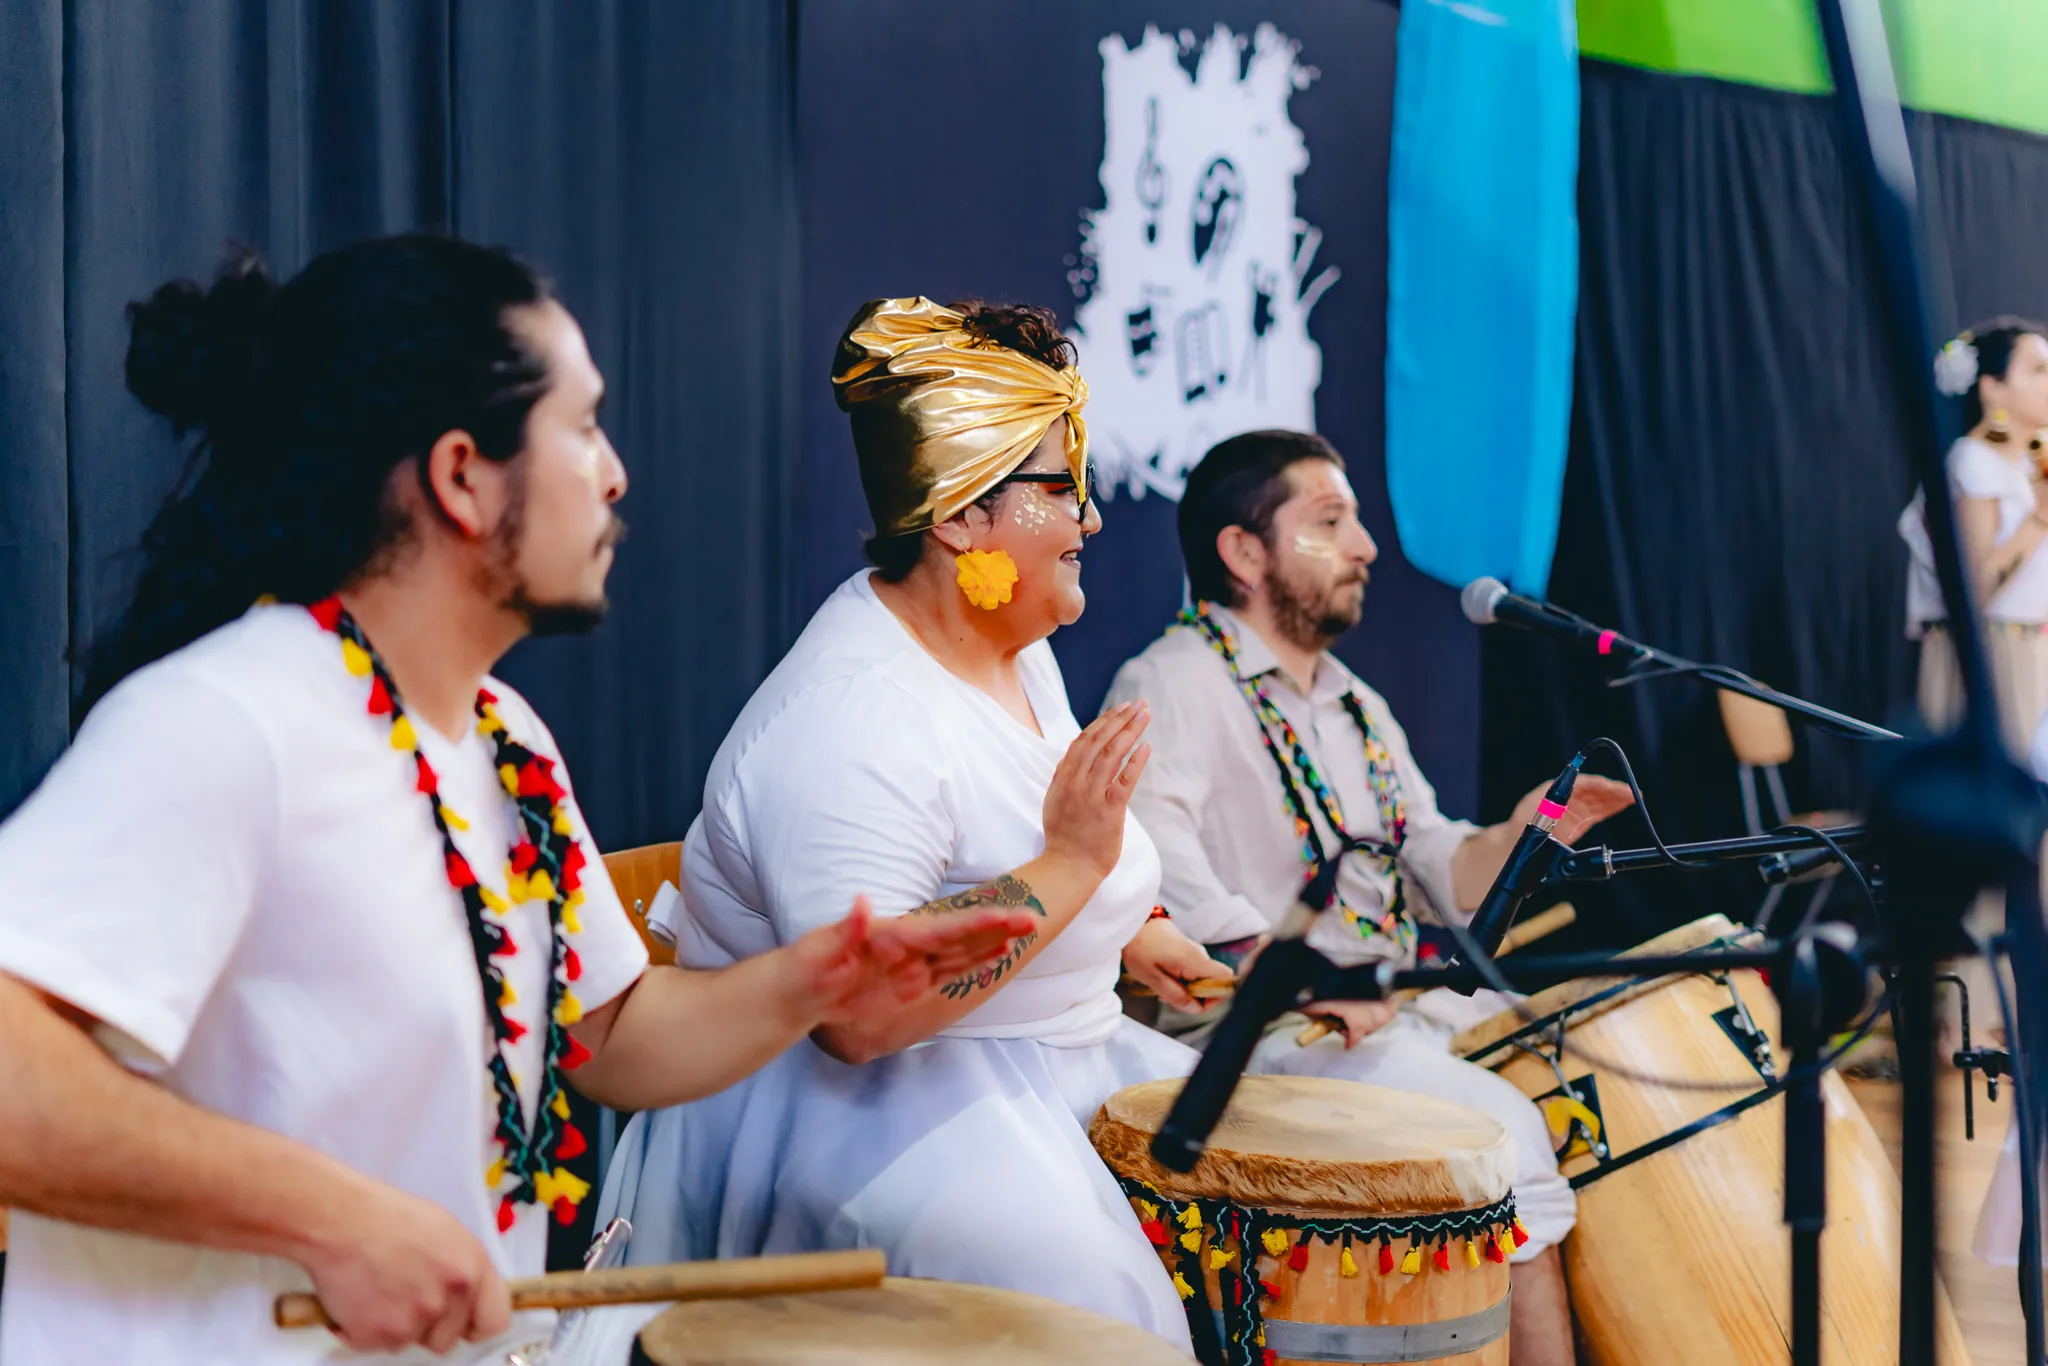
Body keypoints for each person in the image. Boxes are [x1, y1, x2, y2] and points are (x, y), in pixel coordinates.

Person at [0, 242, 1032, 1365]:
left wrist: (812, 981)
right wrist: (329, 1218)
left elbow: (609, 1032)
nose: (615, 476)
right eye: (581, 428)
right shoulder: (231, 721)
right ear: (462, 476)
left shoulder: (503, 737)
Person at [575, 298, 1226, 1360]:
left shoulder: (1012, 647)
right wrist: (1073, 867)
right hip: (852, 1108)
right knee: (1104, 1308)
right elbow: (863, 1018)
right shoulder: (849, 718)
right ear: (961, 515)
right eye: (1061, 486)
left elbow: (1024, 842)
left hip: (1031, 1057)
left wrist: (1130, 928)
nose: (1092, 518)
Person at [1105, 429, 1636, 1366]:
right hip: (1261, 1035)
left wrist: (1518, 841)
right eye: (1330, 522)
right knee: (1509, 1132)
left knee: (1600, 1074)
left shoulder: (1355, 703)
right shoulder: (1168, 684)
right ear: (1244, 552)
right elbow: (1152, 864)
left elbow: (1429, 861)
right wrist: (1298, 973)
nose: (1366, 546)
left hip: (1388, 1014)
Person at [1904, 317, 2048, 752]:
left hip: (2033, 651)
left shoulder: (2027, 468)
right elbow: (1972, 589)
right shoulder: (1973, 462)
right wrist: (2040, 517)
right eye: (2038, 370)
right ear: (1992, 388)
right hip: (1994, 659)